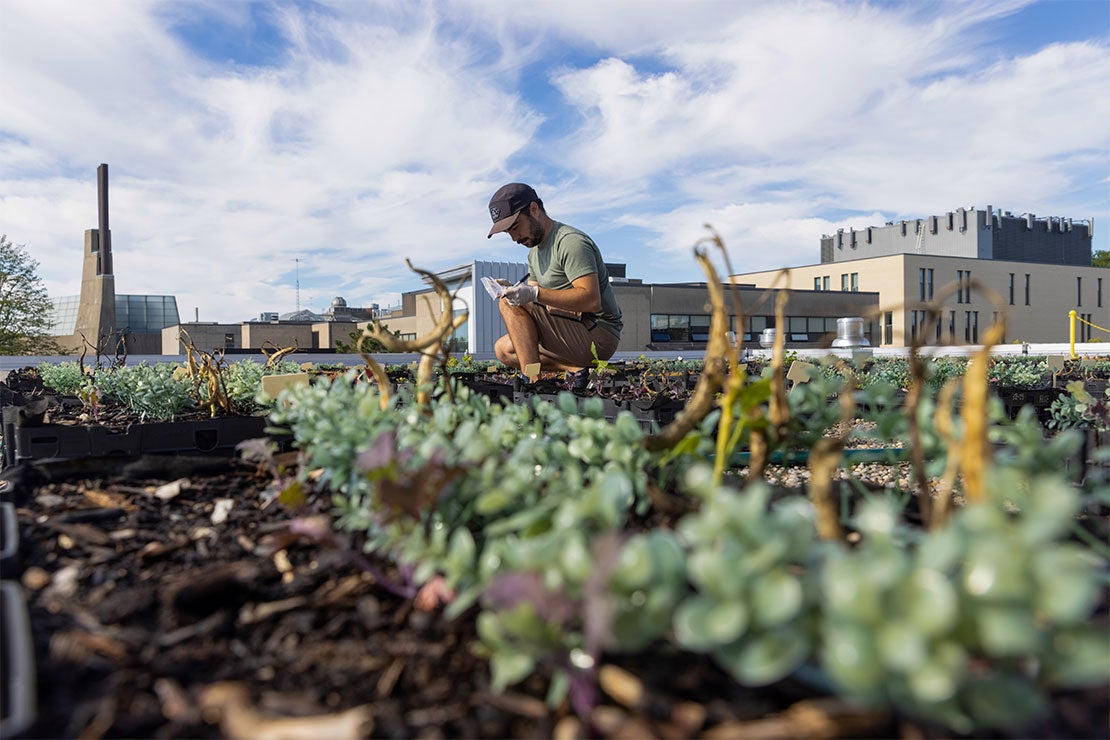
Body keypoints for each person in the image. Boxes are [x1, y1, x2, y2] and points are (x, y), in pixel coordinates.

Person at [486, 182, 622, 390]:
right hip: (569, 333)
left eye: (515, 227)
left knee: (507, 304)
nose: (514, 238)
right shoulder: (534, 253)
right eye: (508, 232)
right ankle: (575, 369)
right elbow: (533, 311)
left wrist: (531, 294)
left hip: (597, 335)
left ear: (534, 209)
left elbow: (591, 300)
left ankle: (532, 380)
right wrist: (515, 291)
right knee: (504, 350)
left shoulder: (570, 242)